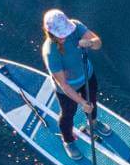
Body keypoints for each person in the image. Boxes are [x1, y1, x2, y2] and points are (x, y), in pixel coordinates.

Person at [41, 8, 102, 156]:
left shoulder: (76, 26)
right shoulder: (51, 52)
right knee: (68, 113)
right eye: (61, 35)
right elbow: (64, 85)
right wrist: (81, 102)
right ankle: (68, 141)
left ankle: (92, 124)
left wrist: (89, 42)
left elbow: (98, 43)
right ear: (50, 33)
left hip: (88, 76)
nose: (66, 37)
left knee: (92, 101)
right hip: (67, 89)